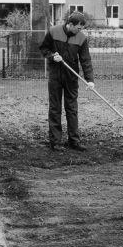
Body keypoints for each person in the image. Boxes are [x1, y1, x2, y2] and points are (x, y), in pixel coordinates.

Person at [39, 11, 95, 152]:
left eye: (82, 28)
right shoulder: (53, 31)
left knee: (72, 108)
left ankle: (74, 141)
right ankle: (55, 142)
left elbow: (85, 59)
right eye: (78, 27)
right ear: (70, 24)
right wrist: (52, 56)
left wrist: (90, 80)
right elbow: (44, 48)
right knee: (55, 108)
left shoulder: (81, 38)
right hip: (55, 76)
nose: (80, 30)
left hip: (71, 76)